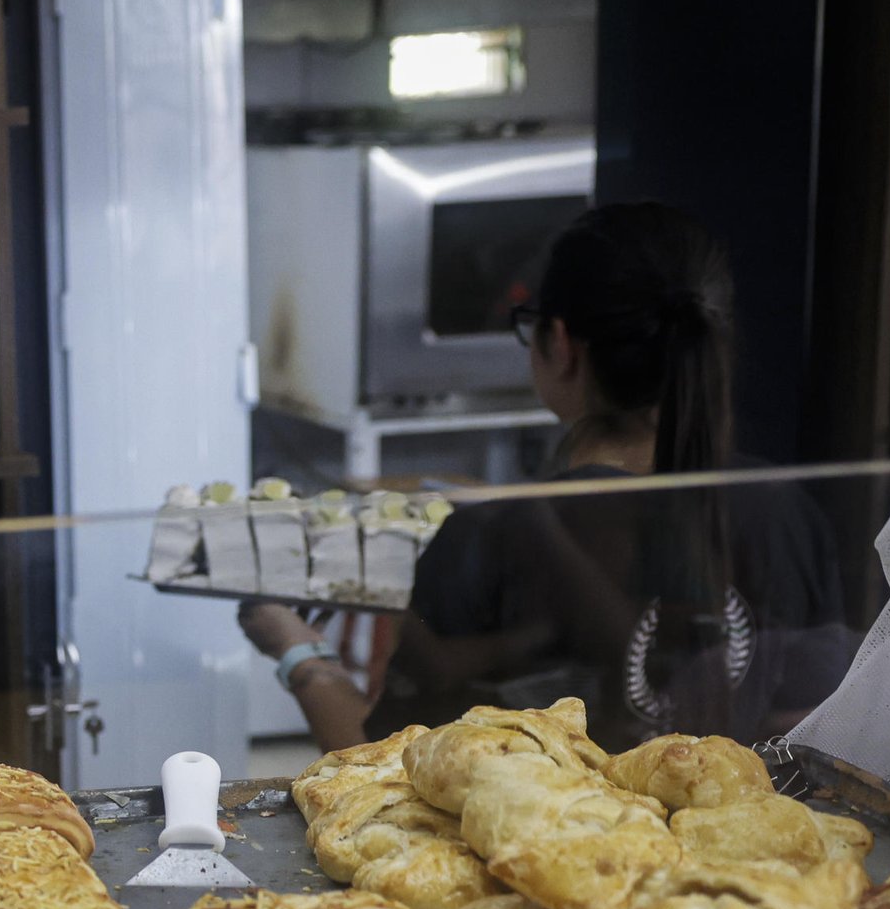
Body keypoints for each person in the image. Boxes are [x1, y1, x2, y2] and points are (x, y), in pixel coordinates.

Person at [240, 201, 850, 753]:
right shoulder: (781, 511)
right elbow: (801, 742)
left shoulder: (484, 538)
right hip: (729, 869)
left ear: (561, 344)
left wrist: (299, 652)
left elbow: (391, 772)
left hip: (542, 871)